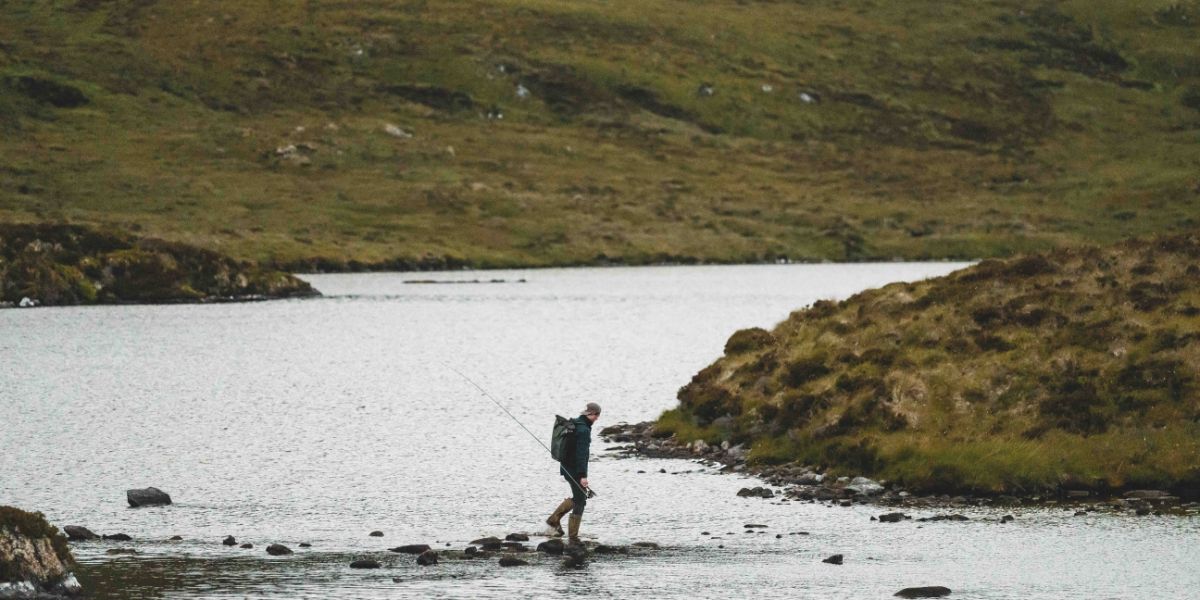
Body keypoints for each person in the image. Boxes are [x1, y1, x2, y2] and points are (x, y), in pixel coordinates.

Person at [546, 402, 600, 544]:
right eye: (596, 415)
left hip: (567, 467)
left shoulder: (576, 424)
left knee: (579, 497)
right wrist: (582, 476)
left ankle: (554, 520)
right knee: (580, 500)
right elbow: (581, 454)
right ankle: (573, 537)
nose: (597, 419)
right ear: (591, 414)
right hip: (574, 470)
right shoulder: (583, 430)